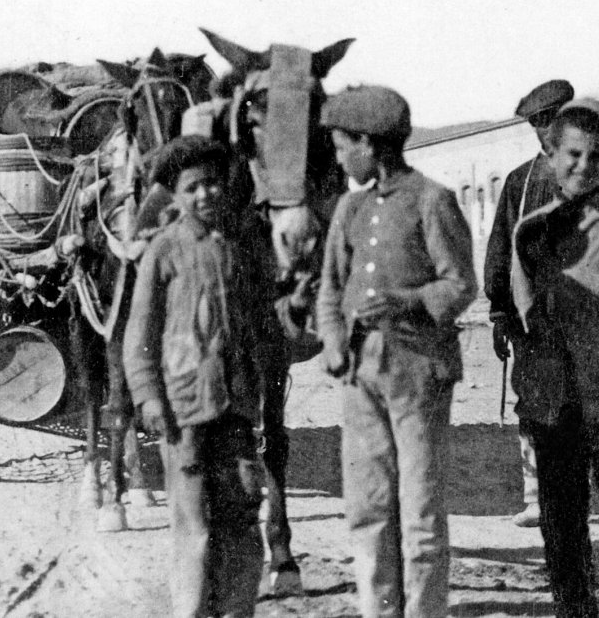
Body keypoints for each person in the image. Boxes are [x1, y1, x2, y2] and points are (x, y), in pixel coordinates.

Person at [316, 86, 478, 618]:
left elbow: (460, 284)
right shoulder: (349, 206)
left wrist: (407, 301)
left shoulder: (432, 200)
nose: (339, 159)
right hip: (361, 373)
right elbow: (329, 288)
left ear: (369, 143)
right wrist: (335, 343)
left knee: (421, 509)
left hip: (418, 372)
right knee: (367, 504)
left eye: (343, 147)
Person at [123, 135, 283, 618]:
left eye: (213, 184)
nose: (205, 195)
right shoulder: (163, 251)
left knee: (239, 516)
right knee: (192, 524)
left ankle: (237, 610)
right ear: (175, 196)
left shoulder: (244, 247)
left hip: (235, 408)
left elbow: (263, 319)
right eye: (193, 188)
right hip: (184, 407)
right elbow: (140, 334)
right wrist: (149, 397)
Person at [511, 99, 599, 618]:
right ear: (549, 156)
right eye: (571, 154)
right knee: (564, 535)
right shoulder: (529, 234)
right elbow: (524, 312)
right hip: (555, 408)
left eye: (596, 158)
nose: (581, 166)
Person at [483, 80, 599, 528]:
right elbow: (500, 249)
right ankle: (537, 494)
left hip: (595, 317)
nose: (544, 131)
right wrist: (498, 312)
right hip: (537, 320)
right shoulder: (519, 181)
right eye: (536, 124)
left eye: (551, 119)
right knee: (537, 399)